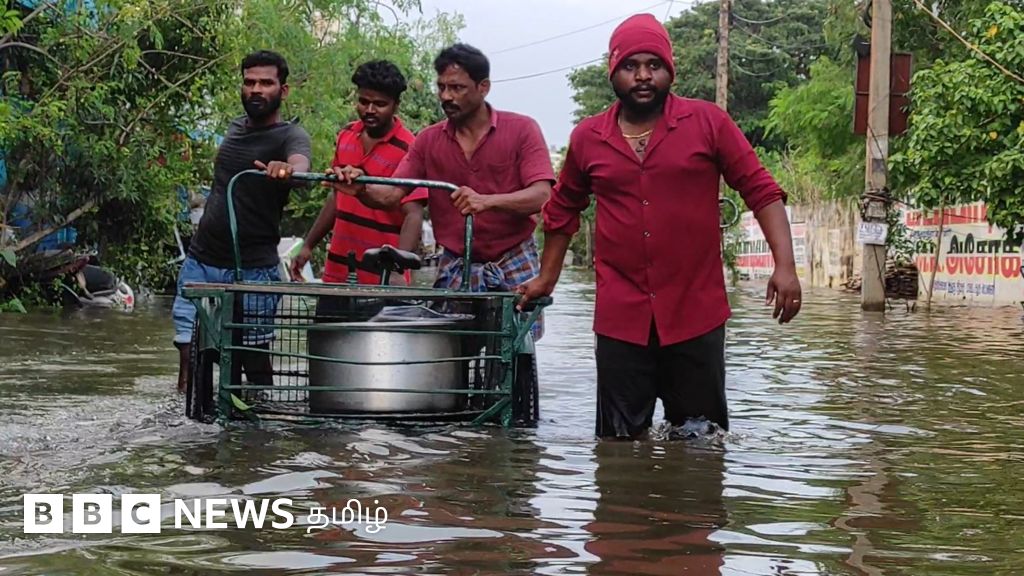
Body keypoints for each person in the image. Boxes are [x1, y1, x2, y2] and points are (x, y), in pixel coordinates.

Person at [517, 14, 802, 438]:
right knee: (617, 449)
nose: (644, 76)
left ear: (671, 69)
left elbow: (760, 190)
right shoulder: (588, 138)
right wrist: (546, 278)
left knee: (702, 444)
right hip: (621, 318)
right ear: (613, 72)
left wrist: (786, 266)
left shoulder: (708, 123)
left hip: (696, 313)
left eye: (654, 64)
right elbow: (562, 211)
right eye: (631, 66)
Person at [331, 43, 554, 339]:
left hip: (512, 255)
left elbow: (542, 196)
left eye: (457, 87)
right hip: (457, 259)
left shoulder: (522, 129)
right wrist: (358, 188)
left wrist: (486, 202)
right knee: (452, 355)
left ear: (483, 87)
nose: (446, 96)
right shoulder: (427, 140)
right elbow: (390, 196)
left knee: (514, 355)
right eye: (442, 87)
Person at [171, 50, 312, 393]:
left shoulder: (290, 136)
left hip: (253, 268)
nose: (256, 89)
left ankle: (258, 436)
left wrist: (288, 170)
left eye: (266, 82)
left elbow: (301, 165)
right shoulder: (235, 128)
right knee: (188, 351)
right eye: (249, 82)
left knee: (253, 357)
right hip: (202, 259)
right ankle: (185, 429)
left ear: (284, 90)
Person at [289, 60, 427, 287]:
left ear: (396, 105)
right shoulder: (346, 135)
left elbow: (413, 214)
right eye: (363, 101)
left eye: (379, 104)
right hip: (337, 270)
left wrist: (397, 269)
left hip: (382, 276)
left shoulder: (410, 148)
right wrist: (308, 245)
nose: (369, 110)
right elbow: (337, 197)